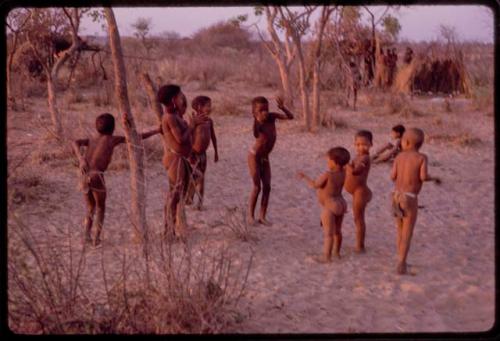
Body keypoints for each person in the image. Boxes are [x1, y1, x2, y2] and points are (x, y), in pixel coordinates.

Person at [72, 113, 160, 246]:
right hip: (97, 176)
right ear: (113, 128)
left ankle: (86, 235)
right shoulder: (111, 139)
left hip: (84, 176)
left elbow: (75, 142)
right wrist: (156, 131)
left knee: (90, 207)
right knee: (101, 208)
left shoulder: (92, 139)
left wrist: (81, 159)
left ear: (97, 127)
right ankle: (96, 238)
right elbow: (137, 137)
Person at [158, 84, 208, 239]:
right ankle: (168, 231)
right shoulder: (169, 118)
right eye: (180, 96)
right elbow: (180, 139)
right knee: (174, 195)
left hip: (182, 159)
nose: (183, 98)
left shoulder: (176, 116)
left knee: (178, 195)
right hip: (175, 160)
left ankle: (172, 229)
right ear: (173, 99)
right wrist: (192, 126)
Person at [391, 128, 441, 274]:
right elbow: (423, 177)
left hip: (395, 195)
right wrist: (434, 178)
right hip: (409, 197)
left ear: (405, 142)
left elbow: (392, 176)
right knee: (407, 231)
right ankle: (401, 263)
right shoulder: (421, 158)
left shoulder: (399, 157)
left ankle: (399, 257)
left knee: (399, 229)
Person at [297, 147, 351, 263]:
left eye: (329, 160)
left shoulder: (328, 174)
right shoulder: (344, 172)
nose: (327, 162)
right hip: (341, 203)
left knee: (328, 234)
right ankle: (337, 252)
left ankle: (327, 257)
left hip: (329, 205)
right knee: (338, 231)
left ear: (335, 162)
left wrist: (305, 177)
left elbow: (315, 185)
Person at [247, 96, 294, 226]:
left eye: (266, 109)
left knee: (267, 187)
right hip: (254, 156)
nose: (265, 113)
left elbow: (290, 117)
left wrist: (283, 108)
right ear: (255, 113)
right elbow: (256, 134)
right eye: (261, 111)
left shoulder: (272, 117)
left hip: (265, 158)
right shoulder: (257, 124)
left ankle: (262, 216)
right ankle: (251, 216)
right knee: (257, 187)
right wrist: (258, 120)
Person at [186, 95, 219, 210]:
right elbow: (189, 135)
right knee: (196, 177)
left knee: (202, 178)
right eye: (208, 106)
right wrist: (189, 153)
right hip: (194, 154)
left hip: (203, 154)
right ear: (199, 107)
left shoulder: (209, 121)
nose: (210, 108)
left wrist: (216, 152)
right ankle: (189, 197)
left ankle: (199, 204)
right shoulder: (194, 120)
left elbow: (213, 137)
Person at [344, 130, 373, 253]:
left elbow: (357, 171)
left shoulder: (365, 158)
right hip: (355, 191)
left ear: (371, 144)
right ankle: (359, 244)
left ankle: (360, 246)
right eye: (358, 144)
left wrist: (348, 166)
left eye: (364, 144)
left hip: (360, 192)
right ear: (354, 144)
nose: (361, 147)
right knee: (357, 219)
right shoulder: (357, 157)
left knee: (359, 219)